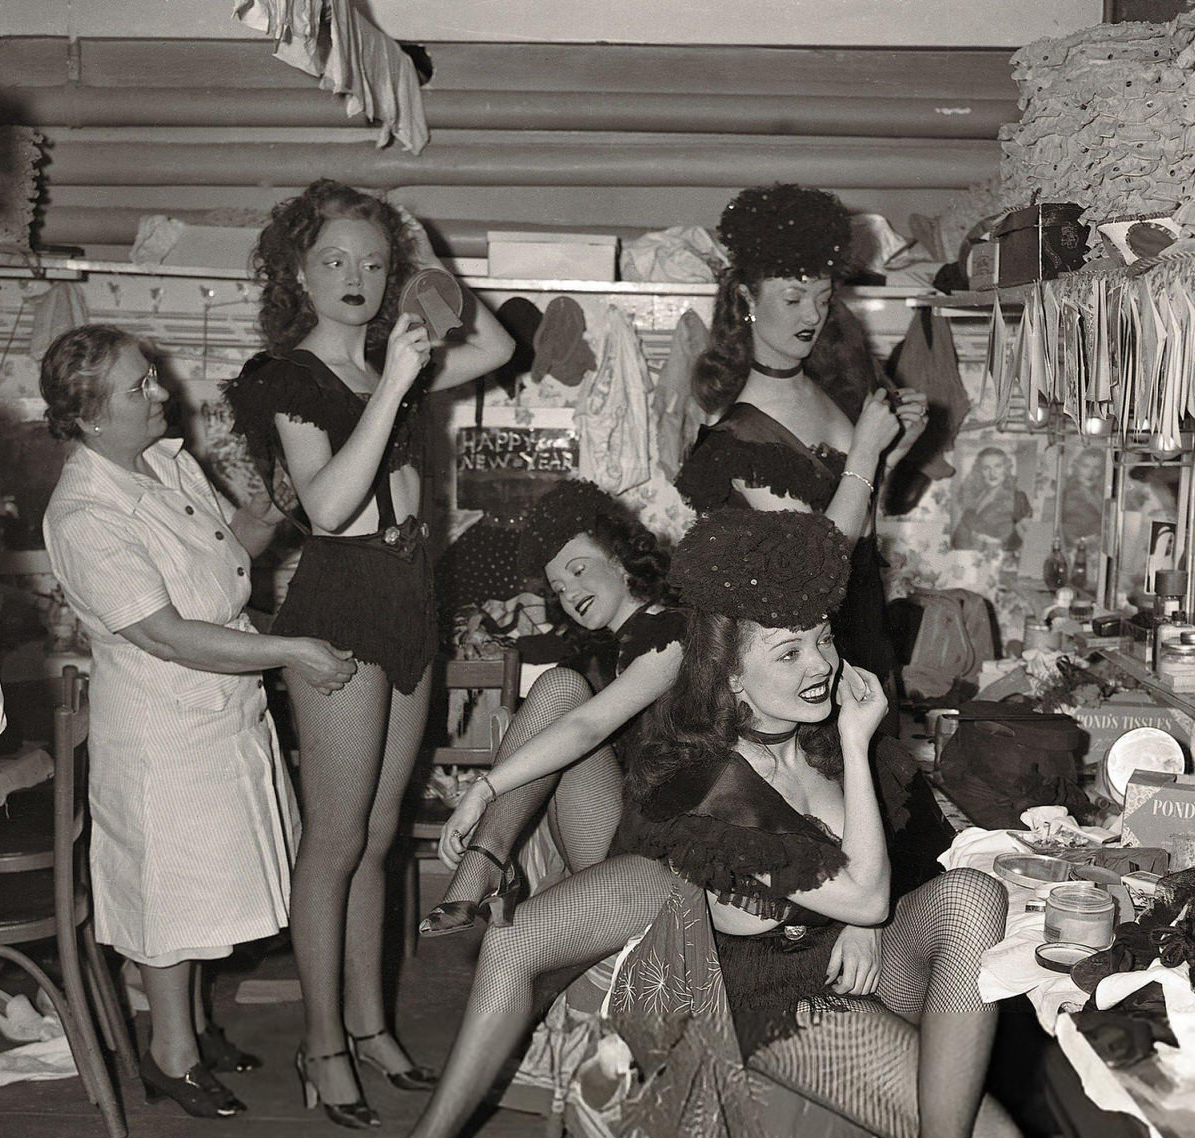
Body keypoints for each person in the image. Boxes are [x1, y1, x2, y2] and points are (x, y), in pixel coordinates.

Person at [343, 506, 1020, 1138]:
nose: (818, 663)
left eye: (822, 641)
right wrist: (846, 762)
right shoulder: (704, 777)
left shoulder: (812, 741)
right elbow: (865, 896)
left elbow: (862, 885)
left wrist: (840, 805)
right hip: (774, 1011)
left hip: (841, 965)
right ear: (729, 672)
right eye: (787, 650)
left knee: (975, 901)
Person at [226, 179, 513, 1125]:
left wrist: (420, 248)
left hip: (409, 595)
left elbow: (502, 345)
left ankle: (371, 1024)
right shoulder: (287, 377)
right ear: (297, 275)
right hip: (344, 596)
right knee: (337, 840)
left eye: (373, 261)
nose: (355, 277)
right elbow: (326, 508)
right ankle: (320, 1045)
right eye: (334, 260)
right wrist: (393, 382)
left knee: (383, 840)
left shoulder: (398, 357)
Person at [41, 323, 356, 1119]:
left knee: (212, 886)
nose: (161, 394)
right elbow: (166, 634)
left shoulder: (158, 463)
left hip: (221, 713)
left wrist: (283, 499)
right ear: (86, 418)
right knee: (168, 899)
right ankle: (170, 1055)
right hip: (162, 725)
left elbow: (230, 553)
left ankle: (199, 1027)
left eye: (153, 377)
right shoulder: (85, 514)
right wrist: (290, 649)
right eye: (138, 387)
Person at [676, 184, 927, 692]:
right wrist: (865, 450)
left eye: (822, 298)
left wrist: (891, 454)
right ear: (747, 298)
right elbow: (821, 562)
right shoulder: (739, 439)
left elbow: (858, 524)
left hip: (863, 633)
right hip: (802, 666)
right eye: (793, 298)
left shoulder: (828, 390)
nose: (812, 315)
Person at [419, 477, 684, 937]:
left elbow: (585, 729)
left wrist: (482, 790)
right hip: (610, 828)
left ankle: (485, 864)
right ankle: (491, 865)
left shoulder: (675, 633)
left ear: (621, 561)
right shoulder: (601, 652)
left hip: (662, 851)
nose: (569, 594)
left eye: (578, 570)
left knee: (561, 687)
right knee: (559, 683)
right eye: (558, 588)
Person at [951, 446, 1032, 555]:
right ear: (980, 471)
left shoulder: (1018, 498)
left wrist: (994, 542)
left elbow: (1030, 539)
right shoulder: (975, 498)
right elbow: (957, 539)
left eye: (998, 466)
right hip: (968, 559)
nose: (992, 473)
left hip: (1001, 560)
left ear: (1006, 468)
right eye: (986, 468)